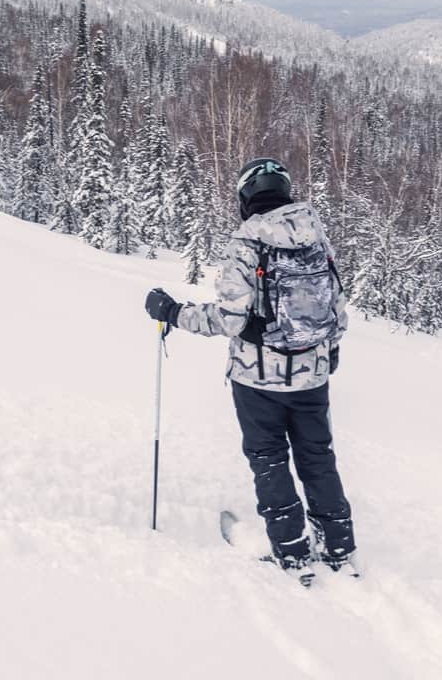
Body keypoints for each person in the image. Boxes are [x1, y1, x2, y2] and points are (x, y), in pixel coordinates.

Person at [144, 157, 356, 579]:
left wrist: (173, 313)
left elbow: (230, 320)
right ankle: (339, 550)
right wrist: (329, 349)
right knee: (318, 458)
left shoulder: (246, 243)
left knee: (269, 459)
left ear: (246, 197)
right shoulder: (316, 235)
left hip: (257, 378)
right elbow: (337, 304)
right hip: (312, 374)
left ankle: (292, 552)